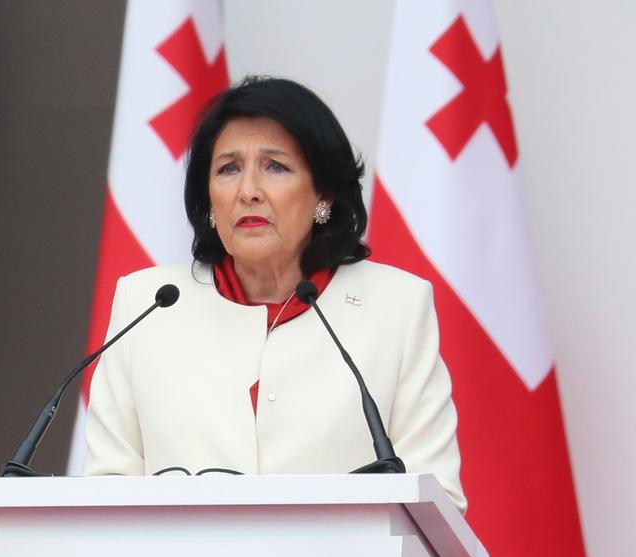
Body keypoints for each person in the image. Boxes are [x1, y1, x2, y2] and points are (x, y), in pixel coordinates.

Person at [83, 76, 465, 512]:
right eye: (228, 168)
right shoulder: (147, 303)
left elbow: (438, 502)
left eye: (275, 166)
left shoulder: (397, 307)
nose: (248, 191)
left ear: (323, 194)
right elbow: (106, 491)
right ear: (208, 200)